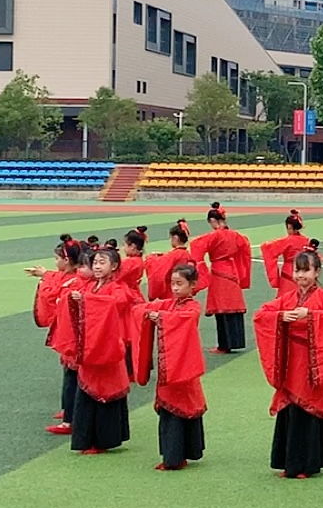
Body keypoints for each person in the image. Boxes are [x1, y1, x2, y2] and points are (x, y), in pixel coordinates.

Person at [253, 249, 323, 479]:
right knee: (290, 408)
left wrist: (311, 315)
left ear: (317, 272)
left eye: (306, 270)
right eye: (297, 270)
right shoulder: (287, 298)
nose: (300, 275)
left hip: (312, 361)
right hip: (290, 359)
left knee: (307, 407)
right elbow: (261, 314)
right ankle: (288, 462)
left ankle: (306, 464)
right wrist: (280, 316)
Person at [68, 242, 142, 455]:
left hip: (108, 348)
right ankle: (87, 439)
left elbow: (114, 303)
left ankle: (103, 440)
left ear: (115, 266)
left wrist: (85, 300)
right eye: (95, 262)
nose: (98, 266)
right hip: (91, 347)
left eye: (103, 262)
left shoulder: (119, 289)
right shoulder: (89, 286)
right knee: (86, 393)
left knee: (105, 391)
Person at [137, 263, 209, 471]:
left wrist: (160, 317)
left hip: (184, 365)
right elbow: (148, 308)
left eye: (180, 284)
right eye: (173, 284)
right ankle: (176, 454)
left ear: (192, 285)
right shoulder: (169, 304)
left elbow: (184, 319)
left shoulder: (192, 307)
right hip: (171, 366)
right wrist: (147, 311)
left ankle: (177, 456)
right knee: (172, 412)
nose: (175, 288)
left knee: (181, 408)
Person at [25, 235, 82, 429]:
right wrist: (44, 275)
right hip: (68, 332)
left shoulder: (74, 282)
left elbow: (54, 293)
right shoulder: (69, 278)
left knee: (72, 376)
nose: (55, 262)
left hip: (72, 334)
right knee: (70, 374)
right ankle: (69, 410)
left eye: (57, 258)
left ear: (67, 260)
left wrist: (45, 282)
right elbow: (57, 279)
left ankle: (70, 419)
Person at [190, 202, 252, 353]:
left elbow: (196, 246)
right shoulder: (236, 235)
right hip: (233, 272)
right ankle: (235, 342)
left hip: (218, 271)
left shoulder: (214, 236)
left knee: (221, 309)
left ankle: (224, 345)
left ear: (213, 221)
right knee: (233, 308)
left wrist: (199, 268)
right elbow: (245, 251)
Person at [143, 220, 201, 302]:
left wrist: (150, 258)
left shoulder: (175, 254)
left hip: (171, 293)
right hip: (184, 290)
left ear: (175, 238)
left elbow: (158, 271)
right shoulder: (186, 254)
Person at [261, 210, 312, 291]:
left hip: (289, 272)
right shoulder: (306, 241)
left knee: (285, 298)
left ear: (290, 227)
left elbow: (267, 248)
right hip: (304, 271)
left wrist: (275, 278)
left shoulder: (287, 241)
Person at [117, 227, 148, 293]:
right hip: (133, 292)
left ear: (132, 246)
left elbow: (114, 276)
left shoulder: (130, 262)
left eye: (124, 244)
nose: (123, 248)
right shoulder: (138, 260)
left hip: (126, 293)